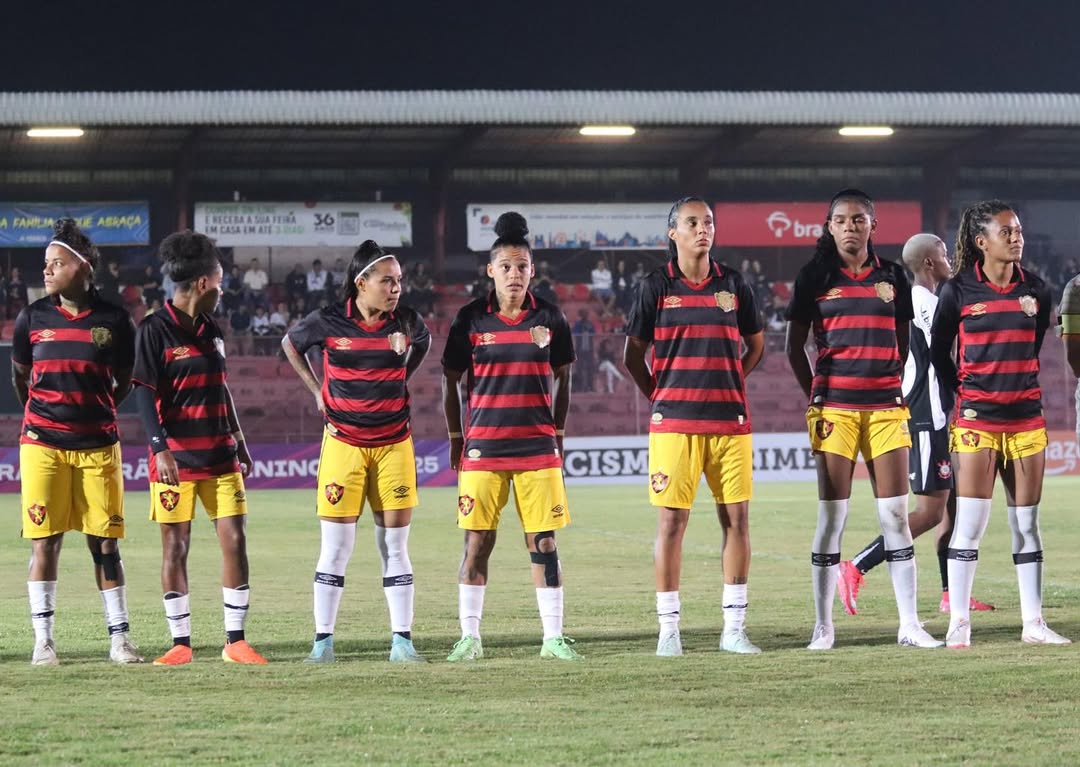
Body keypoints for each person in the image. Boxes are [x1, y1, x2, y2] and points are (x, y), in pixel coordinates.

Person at [785, 188, 941, 651]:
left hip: (886, 409)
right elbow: (794, 347)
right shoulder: (814, 276)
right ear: (829, 227)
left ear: (873, 225)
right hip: (834, 408)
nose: (850, 226)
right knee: (833, 516)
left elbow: (901, 340)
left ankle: (909, 625)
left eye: (858, 219)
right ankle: (823, 627)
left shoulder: (892, 276)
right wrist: (816, 395)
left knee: (895, 513)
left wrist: (886, 382)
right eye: (841, 219)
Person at [624, 197, 765, 656]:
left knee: (737, 521)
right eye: (692, 222)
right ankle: (669, 630)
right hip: (675, 426)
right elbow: (632, 355)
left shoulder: (734, 284)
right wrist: (661, 397)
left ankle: (734, 629)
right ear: (673, 233)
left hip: (730, 423)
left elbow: (756, 344)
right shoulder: (655, 286)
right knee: (671, 524)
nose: (703, 229)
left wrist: (731, 380)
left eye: (708, 222)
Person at [282, 240, 431, 663]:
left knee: (396, 546)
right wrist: (317, 391)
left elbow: (423, 343)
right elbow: (291, 344)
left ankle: (402, 642)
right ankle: (322, 644)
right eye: (387, 281)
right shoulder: (328, 320)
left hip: (394, 444)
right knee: (335, 548)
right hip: (343, 444)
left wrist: (402, 376)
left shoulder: (407, 321)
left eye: (399, 281)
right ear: (361, 282)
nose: (396, 288)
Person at [441, 211, 581, 662]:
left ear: (532, 270)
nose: (514, 274)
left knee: (544, 543)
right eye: (506, 266)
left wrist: (559, 433)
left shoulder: (550, 316)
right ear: (491, 270)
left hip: (538, 449)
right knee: (477, 543)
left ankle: (553, 639)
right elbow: (450, 379)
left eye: (522, 266)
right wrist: (456, 436)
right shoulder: (470, 319)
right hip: (484, 449)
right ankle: (470, 638)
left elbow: (564, 376)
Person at [930, 200, 1069, 648]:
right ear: (981, 241)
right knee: (969, 524)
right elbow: (938, 352)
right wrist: (965, 394)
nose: (1016, 238)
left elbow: (1034, 346)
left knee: (1027, 524)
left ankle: (1034, 623)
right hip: (977, 422)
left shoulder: (1038, 289)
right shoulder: (957, 291)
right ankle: (959, 623)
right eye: (1006, 231)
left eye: (1019, 230)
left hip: (1026, 421)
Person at [837, 234, 995, 616]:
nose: (948, 259)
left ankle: (950, 594)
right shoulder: (923, 302)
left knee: (953, 507)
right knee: (930, 511)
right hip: (927, 415)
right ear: (928, 262)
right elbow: (941, 354)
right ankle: (855, 566)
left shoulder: (924, 299)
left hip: (940, 413)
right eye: (943, 253)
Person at [132, 230, 268, 666]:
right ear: (204, 283)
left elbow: (222, 389)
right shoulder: (154, 329)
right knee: (175, 547)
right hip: (175, 460)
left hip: (221, 456)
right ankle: (181, 644)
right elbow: (143, 393)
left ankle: (236, 641)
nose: (223, 291)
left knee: (235, 540)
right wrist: (160, 449)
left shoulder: (212, 329)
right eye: (221, 283)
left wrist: (240, 440)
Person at [12, 218, 142, 666]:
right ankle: (43, 642)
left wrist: (95, 411)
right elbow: (21, 377)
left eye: (56, 263)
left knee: (105, 544)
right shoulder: (32, 317)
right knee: (45, 541)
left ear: (83, 267)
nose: (46, 270)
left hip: (98, 446)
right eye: (45, 263)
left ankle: (120, 640)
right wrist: (43, 419)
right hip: (42, 445)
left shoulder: (115, 320)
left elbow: (124, 379)